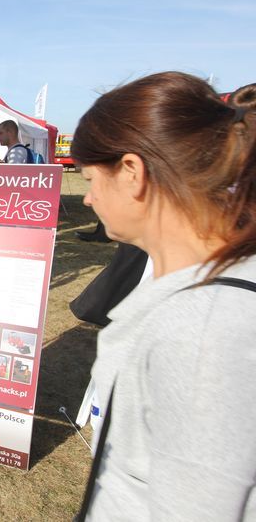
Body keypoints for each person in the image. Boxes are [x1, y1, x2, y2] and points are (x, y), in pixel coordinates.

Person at [72, 73, 256, 521]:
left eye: (92, 179)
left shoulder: (202, 328)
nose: (88, 200)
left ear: (132, 172)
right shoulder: (200, 292)